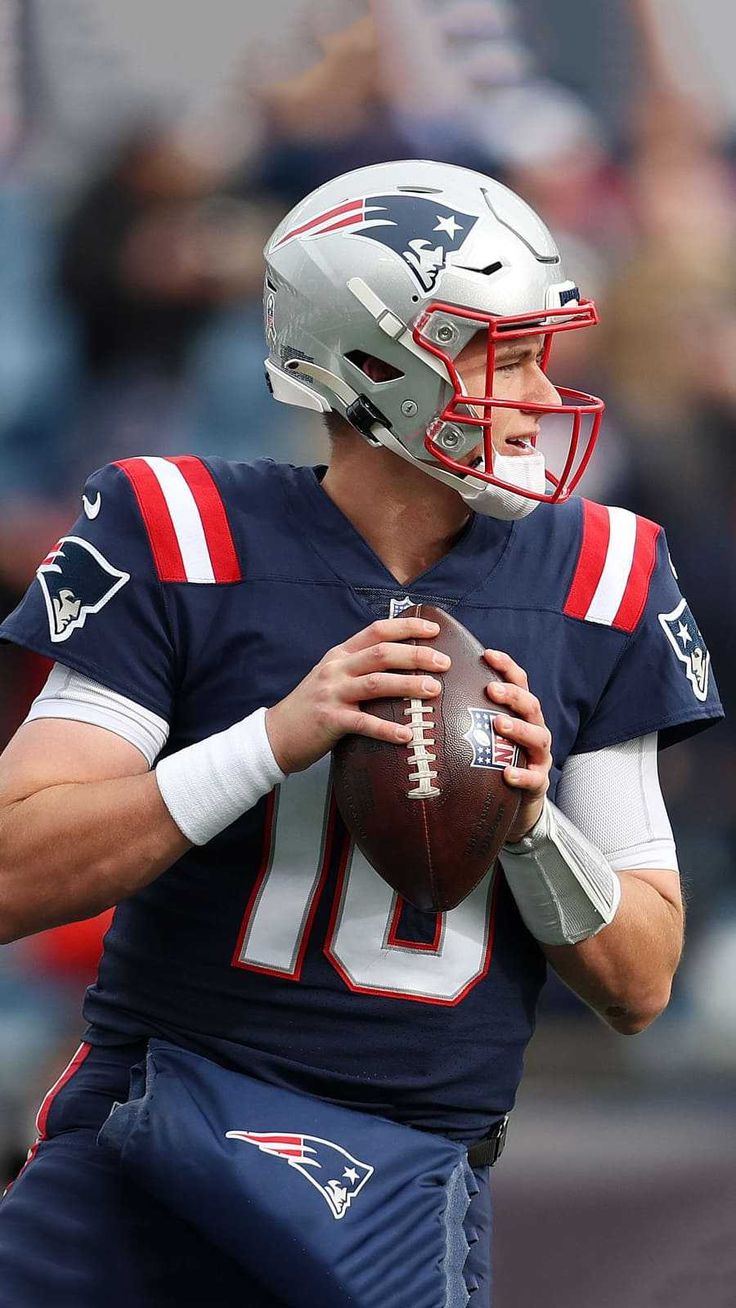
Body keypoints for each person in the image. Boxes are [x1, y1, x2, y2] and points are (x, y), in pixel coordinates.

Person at [0, 159, 722, 1307]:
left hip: (401, 1179)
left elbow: (639, 982)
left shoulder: (608, 573)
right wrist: (271, 740)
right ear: (377, 365)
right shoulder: (177, 526)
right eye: (508, 353)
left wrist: (531, 825)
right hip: (153, 1139)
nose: (541, 393)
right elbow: (12, 872)